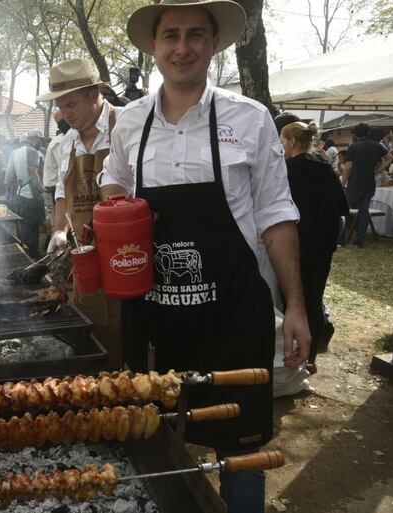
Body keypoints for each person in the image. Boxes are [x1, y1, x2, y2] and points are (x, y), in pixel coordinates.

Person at [101, 2, 311, 512]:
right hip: (154, 315)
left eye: (196, 34)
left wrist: (297, 308)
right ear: (153, 47)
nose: (182, 46)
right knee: (153, 439)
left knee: (238, 445)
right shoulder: (130, 122)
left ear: (214, 44)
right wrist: (113, 207)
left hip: (232, 314)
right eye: (170, 35)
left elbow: (277, 213)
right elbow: (114, 179)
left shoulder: (250, 117)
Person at [39, 57, 123, 369]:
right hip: (85, 254)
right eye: (60, 106)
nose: (64, 113)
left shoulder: (126, 125)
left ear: (94, 94)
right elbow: (63, 192)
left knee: (124, 328)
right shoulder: (68, 142)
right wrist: (59, 230)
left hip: (124, 252)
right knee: (92, 326)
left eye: (71, 104)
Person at [280, 122, 349, 371]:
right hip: (322, 246)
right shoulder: (325, 169)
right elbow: (342, 207)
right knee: (314, 298)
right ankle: (310, 361)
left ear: (291, 141)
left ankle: (287, 357)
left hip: (293, 245)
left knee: (289, 299)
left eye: (281, 140)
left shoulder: (285, 170)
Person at [340, 122, 393, 247]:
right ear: (368, 132)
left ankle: (342, 238)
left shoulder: (354, 147)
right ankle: (360, 240)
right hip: (370, 183)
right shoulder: (376, 145)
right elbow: (390, 158)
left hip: (355, 183)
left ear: (355, 134)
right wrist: (379, 170)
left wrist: (343, 183)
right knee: (364, 211)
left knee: (345, 209)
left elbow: (348, 167)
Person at [5, 133, 45, 258]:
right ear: (32, 140)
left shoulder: (14, 153)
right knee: (32, 228)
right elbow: (33, 173)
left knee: (21, 227)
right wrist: (41, 189)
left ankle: (23, 253)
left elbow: (9, 175)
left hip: (19, 195)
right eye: (37, 140)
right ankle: (32, 254)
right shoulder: (33, 151)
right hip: (31, 196)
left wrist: (9, 191)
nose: (38, 142)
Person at [42, 110, 70, 239]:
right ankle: (57, 252)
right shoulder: (60, 142)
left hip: (56, 188)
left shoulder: (62, 139)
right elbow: (67, 167)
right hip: (53, 189)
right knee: (57, 223)